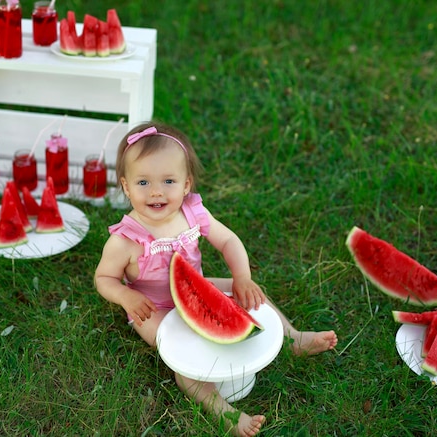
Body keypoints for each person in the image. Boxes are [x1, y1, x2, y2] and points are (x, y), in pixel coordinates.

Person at [94, 122, 338, 437]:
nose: (156, 191)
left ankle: (294, 338)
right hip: (151, 307)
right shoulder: (125, 240)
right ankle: (226, 414)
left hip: (197, 287)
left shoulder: (194, 214)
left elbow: (229, 241)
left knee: (253, 297)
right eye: (143, 182)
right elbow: (104, 278)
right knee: (181, 360)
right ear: (127, 188)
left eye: (168, 180)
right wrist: (126, 297)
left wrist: (242, 277)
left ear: (186, 185)